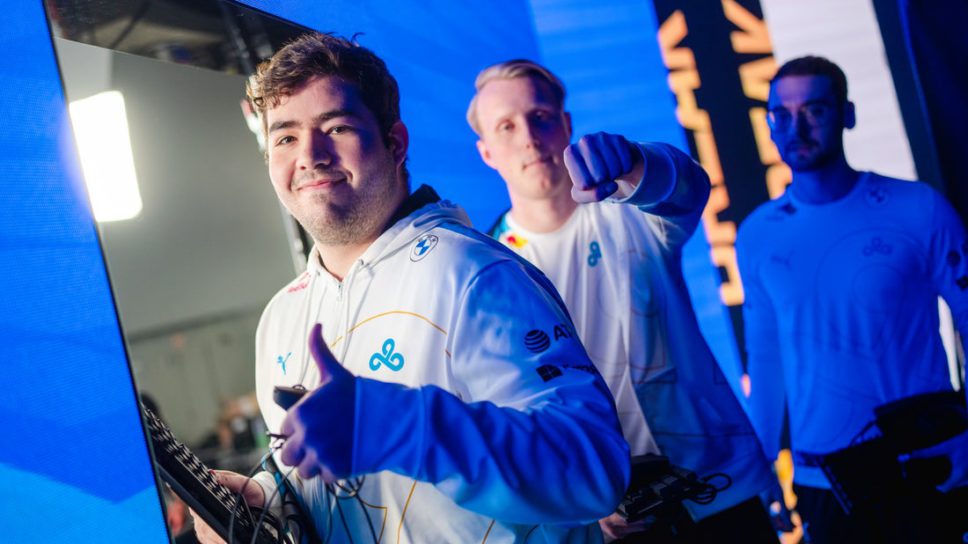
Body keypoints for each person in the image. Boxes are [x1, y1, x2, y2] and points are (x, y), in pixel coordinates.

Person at [191, 33, 631, 543]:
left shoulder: (472, 272)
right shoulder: (280, 318)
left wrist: (401, 425)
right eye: (286, 137)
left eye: (336, 127)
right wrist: (266, 498)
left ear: (395, 144)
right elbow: (320, 491)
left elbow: (593, 466)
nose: (309, 155)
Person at [467, 59, 777, 543]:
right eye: (506, 126)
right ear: (486, 152)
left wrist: (635, 161)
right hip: (611, 517)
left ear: (566, 124)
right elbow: (511, 412)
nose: (528, 137)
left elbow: (687, 185)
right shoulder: (488, 272)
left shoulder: (632, 210)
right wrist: (577, 504)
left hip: (718, 489)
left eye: (540, 117)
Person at [736, 55, 968, 543]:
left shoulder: (918, 208)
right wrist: (760, 467)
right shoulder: (757, 235)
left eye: (814, 110)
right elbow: (766, 360)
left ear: (847, 114)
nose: (796, 127)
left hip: (927, 465)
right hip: (824, 483)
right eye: (781, 114)